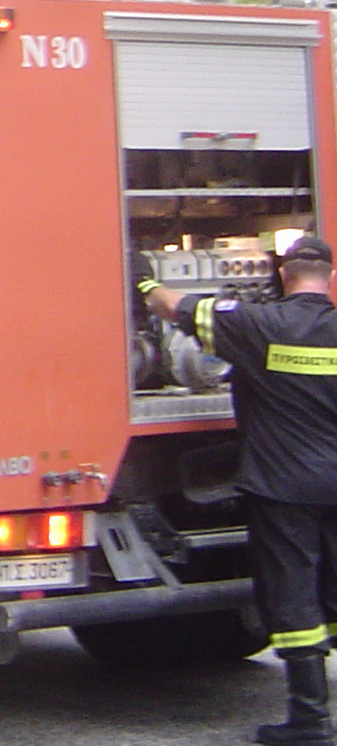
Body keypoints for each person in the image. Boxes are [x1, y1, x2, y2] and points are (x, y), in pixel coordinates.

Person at [143, 235, 337, 746]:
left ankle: (310, 720)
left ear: (281, 274)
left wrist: (141, 276)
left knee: (295, 596)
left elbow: (173, 306)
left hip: (284, 486)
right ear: (331, 279)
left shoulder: (257, 325)